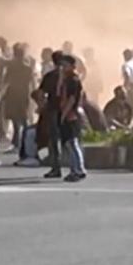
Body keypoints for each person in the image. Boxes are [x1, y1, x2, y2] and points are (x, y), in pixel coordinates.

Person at [59, 55, 86, 182]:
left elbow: (71, 99)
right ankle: (76, 169)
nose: (63, 68)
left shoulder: (73, 80)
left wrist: (64, 114)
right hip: (70, 113)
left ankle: (78, 169)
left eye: (65, 65)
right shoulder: (67, 79)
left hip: (71, 115)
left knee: (72, 143)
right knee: (71, 143)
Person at [2, 43, 34, 151]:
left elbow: (5, 82)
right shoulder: (28, 68)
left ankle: (17, 142)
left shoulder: (11, 66)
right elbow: (31, 84)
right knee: (23, 119)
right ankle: (23, 141)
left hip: (12, 95)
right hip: (23, 95)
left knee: (15, 120)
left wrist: (0, 95)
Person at [40, 50, 64, 179]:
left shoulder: (50, 76)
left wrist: (41, 106)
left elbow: (41, 93)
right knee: (69, 139)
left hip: (53, 109)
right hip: (66, 110)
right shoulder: (68, 75)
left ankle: (56, 167)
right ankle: (76, 167)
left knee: (54, 140)